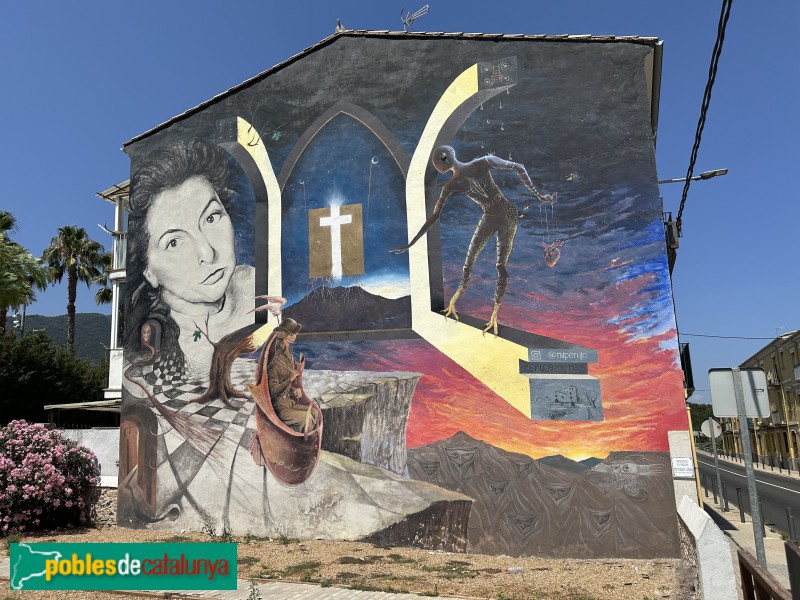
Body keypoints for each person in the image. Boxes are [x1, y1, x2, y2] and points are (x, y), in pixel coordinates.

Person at [126, 139, 255, 379]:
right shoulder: (158, 335)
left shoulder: (253, 285)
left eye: (211, 217)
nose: (207, 253)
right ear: (148, 271)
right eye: (174, 242)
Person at [392, 145, 553, 335]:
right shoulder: (482, 162)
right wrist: (539, 196)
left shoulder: (452, 183)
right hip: (502, 214)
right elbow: (519, 167)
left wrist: (411, 244)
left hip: (503, 215)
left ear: (442, 165)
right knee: (497, 266)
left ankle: (481, 312)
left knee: (477, 264)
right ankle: (474, 308)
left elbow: (435, 216)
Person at [264, 318, 317, 432]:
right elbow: (273, 391)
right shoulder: (276, 361)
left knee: (315, 412)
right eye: (291, 334)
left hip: (289, 403)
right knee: (307, 418)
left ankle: (301, 435)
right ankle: (301, 442)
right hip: (281, 408)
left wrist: (293, 390)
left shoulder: (289, 355)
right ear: (283, 334)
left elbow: (285, 385)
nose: (294, 337)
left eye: (295, 334)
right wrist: (290, 379)